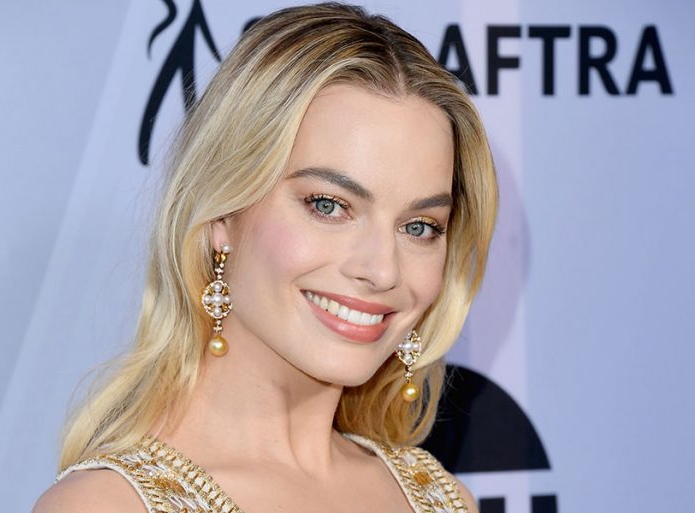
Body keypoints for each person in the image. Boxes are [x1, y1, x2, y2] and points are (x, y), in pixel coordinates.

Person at [33, 3, 497, 513]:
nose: (383, 270)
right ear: (222, 214)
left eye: (419, 227)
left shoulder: (443, 499)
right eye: (328, 205)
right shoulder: (108, 505)